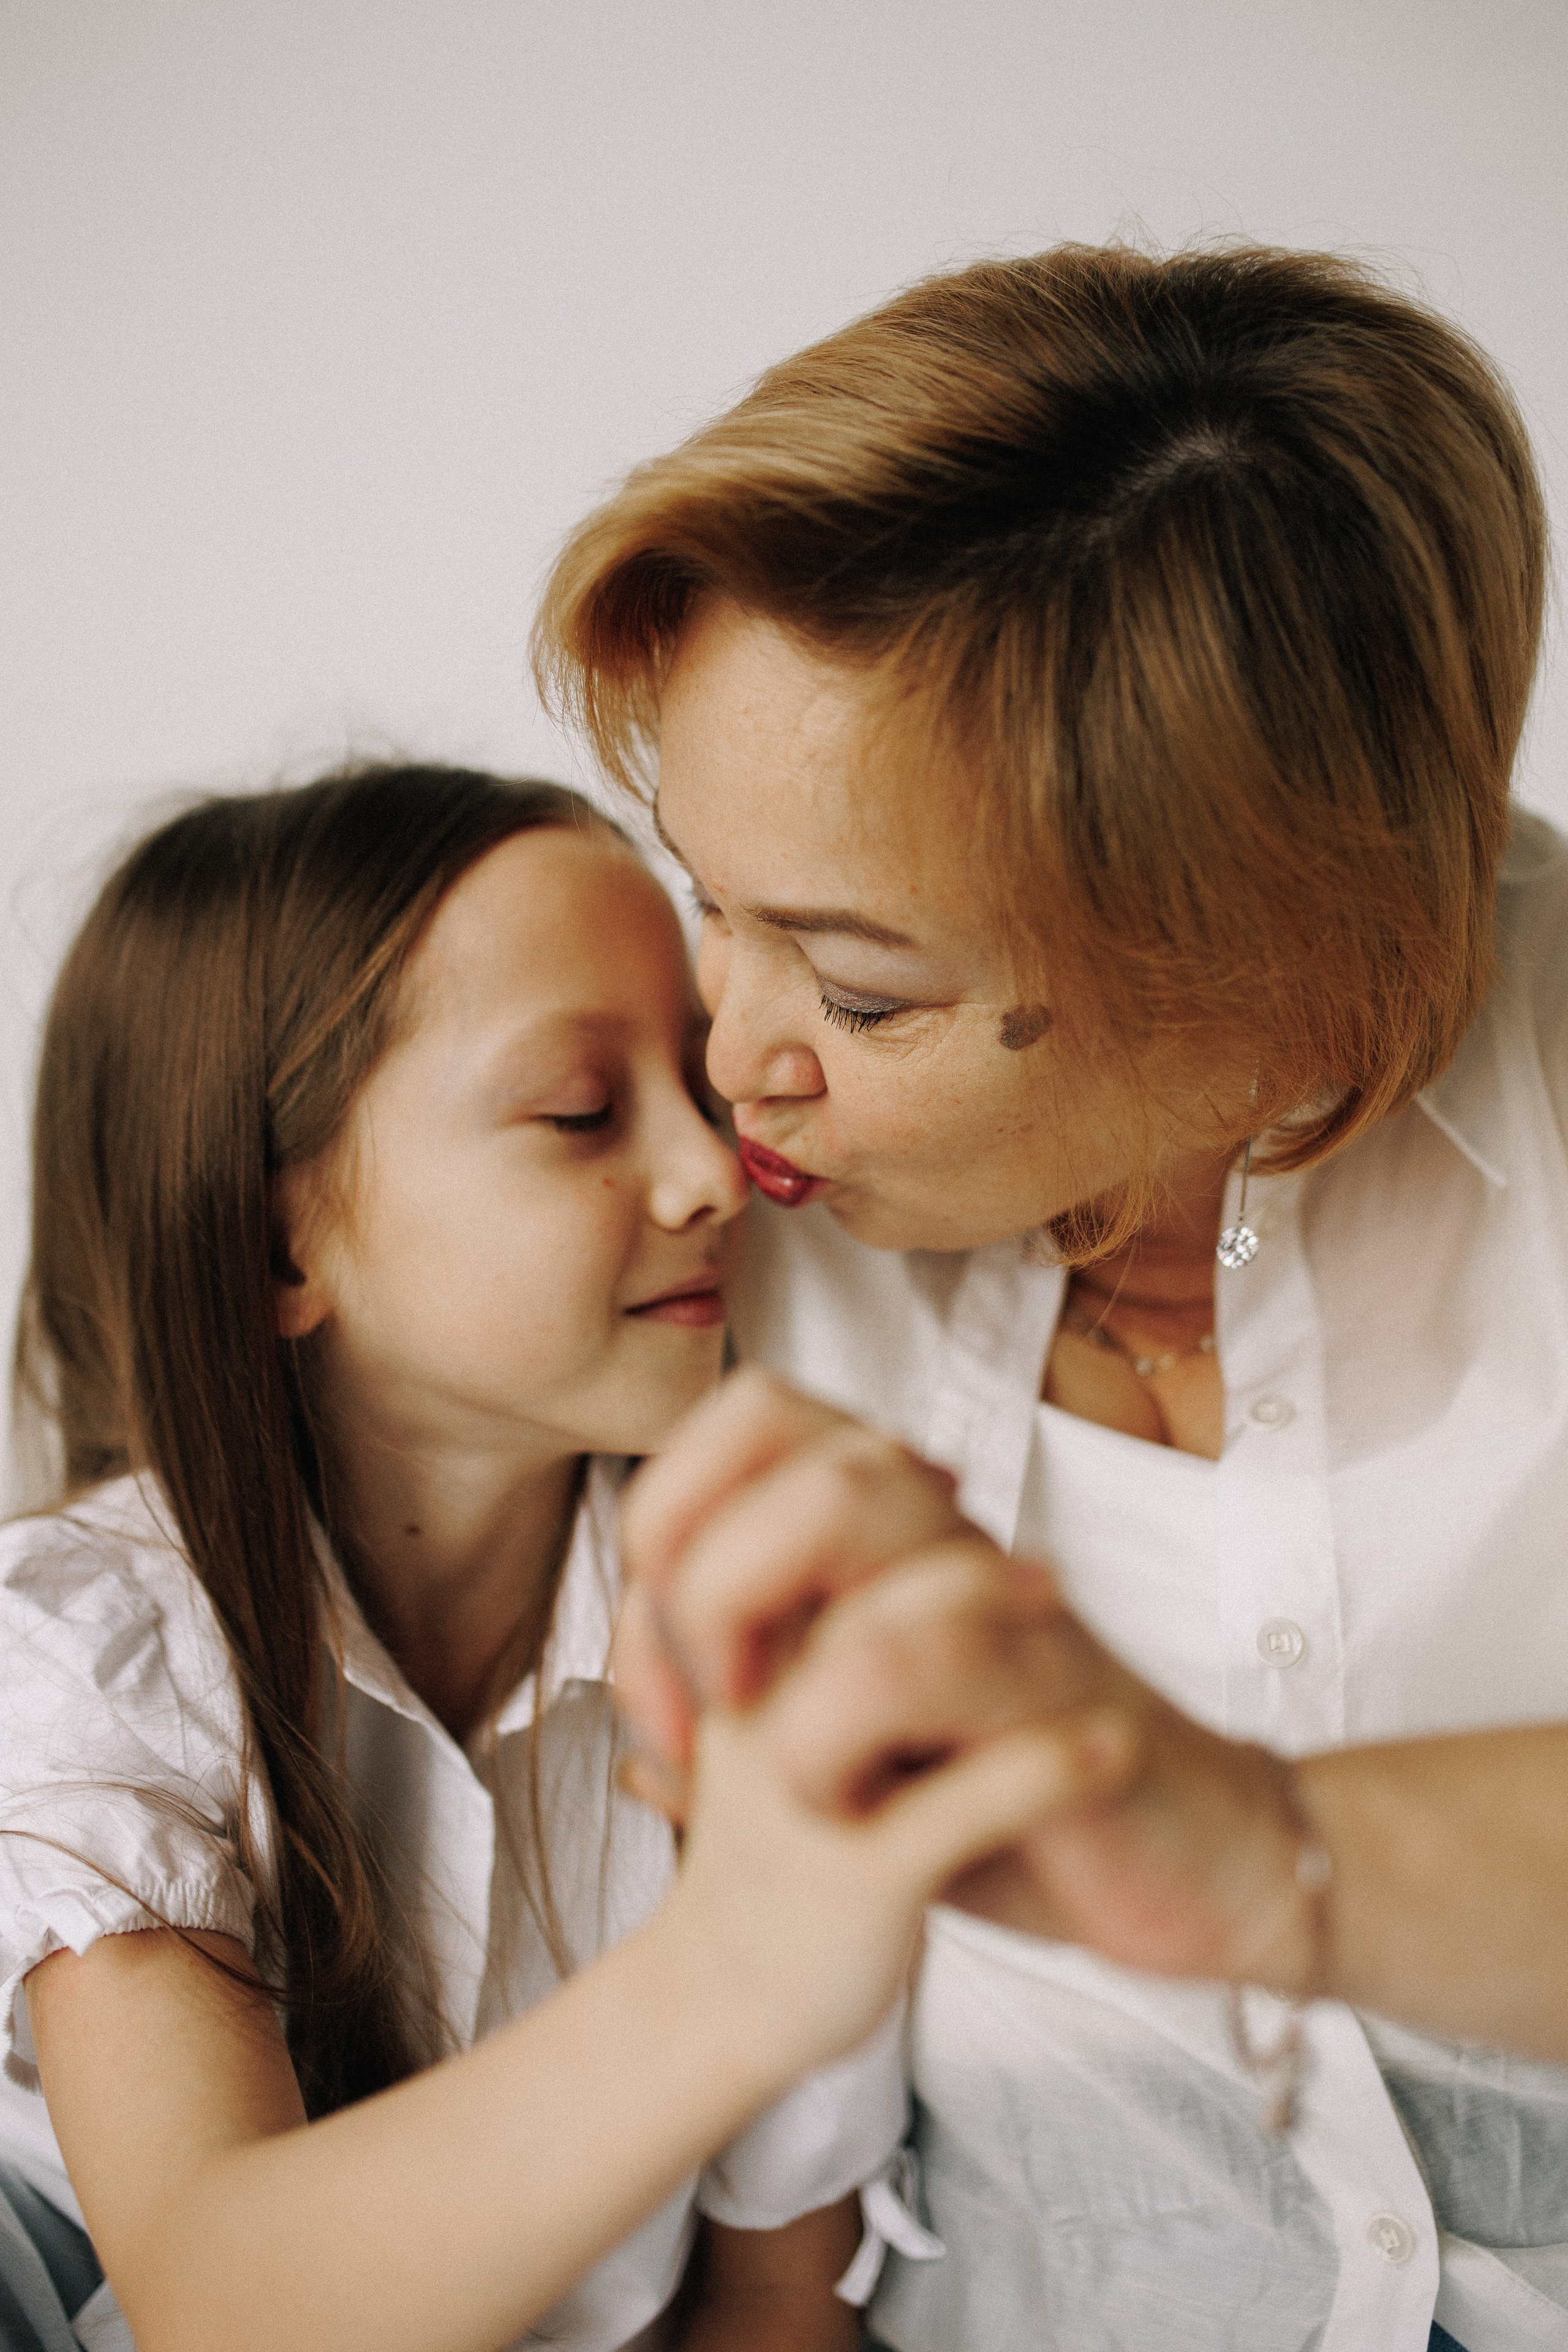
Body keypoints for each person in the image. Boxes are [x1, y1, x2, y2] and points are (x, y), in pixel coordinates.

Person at [533, 243, 1567, 2352]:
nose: (729, 1050)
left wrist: (1262, 1842)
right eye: (707, 895)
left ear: (1262, 979)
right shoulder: (674, 1183)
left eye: (862, 986)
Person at [0, 764, 1069, 2352]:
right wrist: (744, 1965)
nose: (718, 1175)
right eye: (582, 1115)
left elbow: (777, 2300)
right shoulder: (96, 1655)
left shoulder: (754, 1630)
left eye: (703, 1095)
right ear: (281, 1246)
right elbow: (227, 2309)